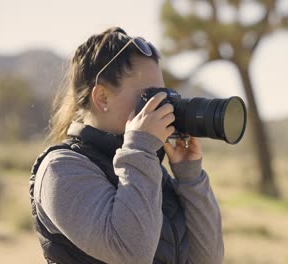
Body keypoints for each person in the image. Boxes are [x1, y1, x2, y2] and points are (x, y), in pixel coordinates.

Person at [29, 27, 224, 264]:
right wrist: (141, 149)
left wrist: (190, 179)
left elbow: (208, 260)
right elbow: (131, 255)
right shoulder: (60, 168)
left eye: (165, 94)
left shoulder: (146, 169)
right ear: (102, 98)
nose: (163, 106)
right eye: (150, 95)